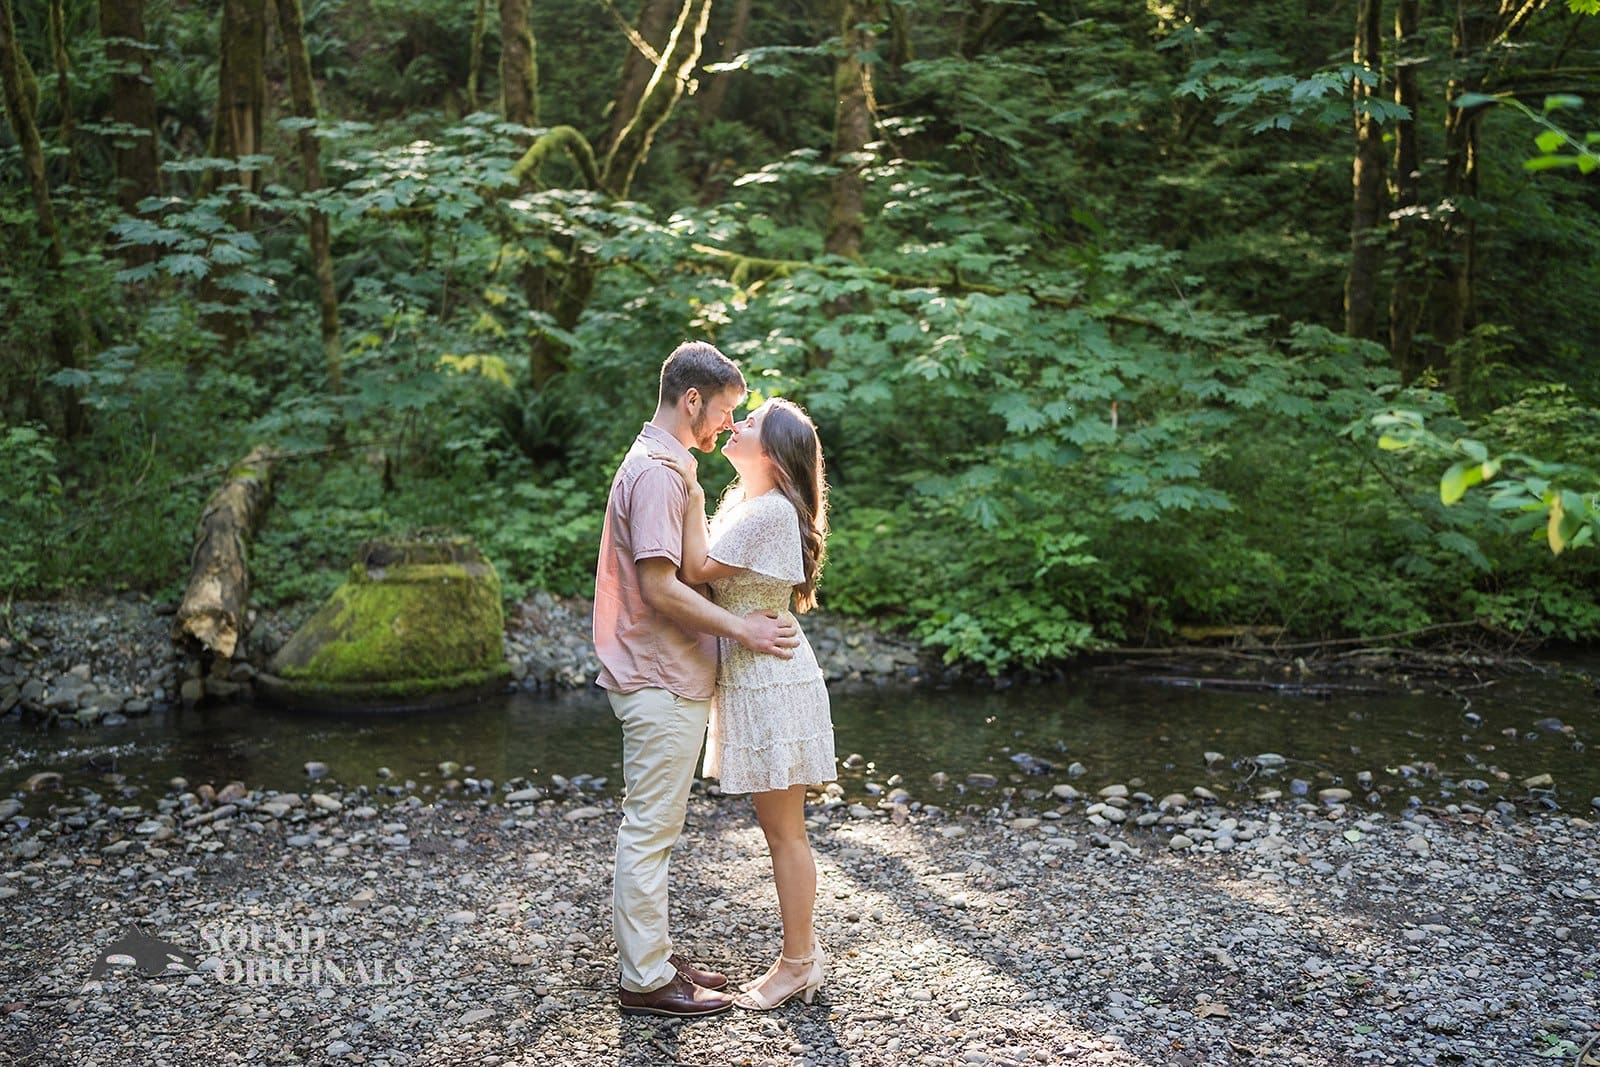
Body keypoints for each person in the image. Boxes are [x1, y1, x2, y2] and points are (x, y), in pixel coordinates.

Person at [593, 341, 800, 1018]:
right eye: (725, 411)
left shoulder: (674, 466)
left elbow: (693, 563)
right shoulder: (656, 472)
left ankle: (652, 954)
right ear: (692, 400)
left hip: (670, 673)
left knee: (659, 826)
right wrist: (745, 630)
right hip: (657, 673)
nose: (725, 426)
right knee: (650, 829)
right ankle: (645, 978)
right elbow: (659, 588)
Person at [653, 396, 837, 1012]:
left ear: (774, 453)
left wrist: (688, 486)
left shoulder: (767, 511)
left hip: (771, 677)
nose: (736, 423)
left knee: (785, 833)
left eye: (750, 422)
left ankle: (798, 964)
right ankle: (799, 959)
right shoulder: (750, 505)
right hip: (758, 670)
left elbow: (696, 568)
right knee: (780, 830)